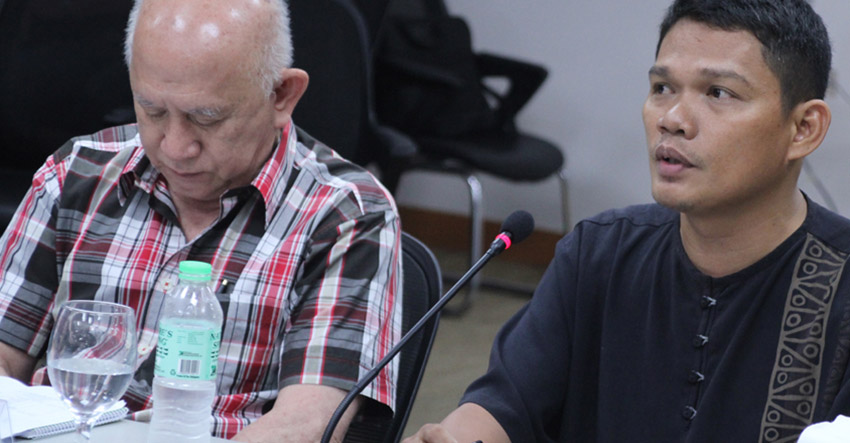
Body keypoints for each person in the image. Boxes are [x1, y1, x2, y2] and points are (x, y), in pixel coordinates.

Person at [405, 0, 850, 442]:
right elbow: (504, 404)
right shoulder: (600, 253)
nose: (672, 119)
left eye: (718, 93)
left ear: (804, 128)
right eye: (662, 88)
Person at [0, 0, 402, 441]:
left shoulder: (344, 216)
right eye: (152, 111)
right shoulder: (78, 173)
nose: (174, 147)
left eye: (206, 118)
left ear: (282, 95)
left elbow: (303, 426)